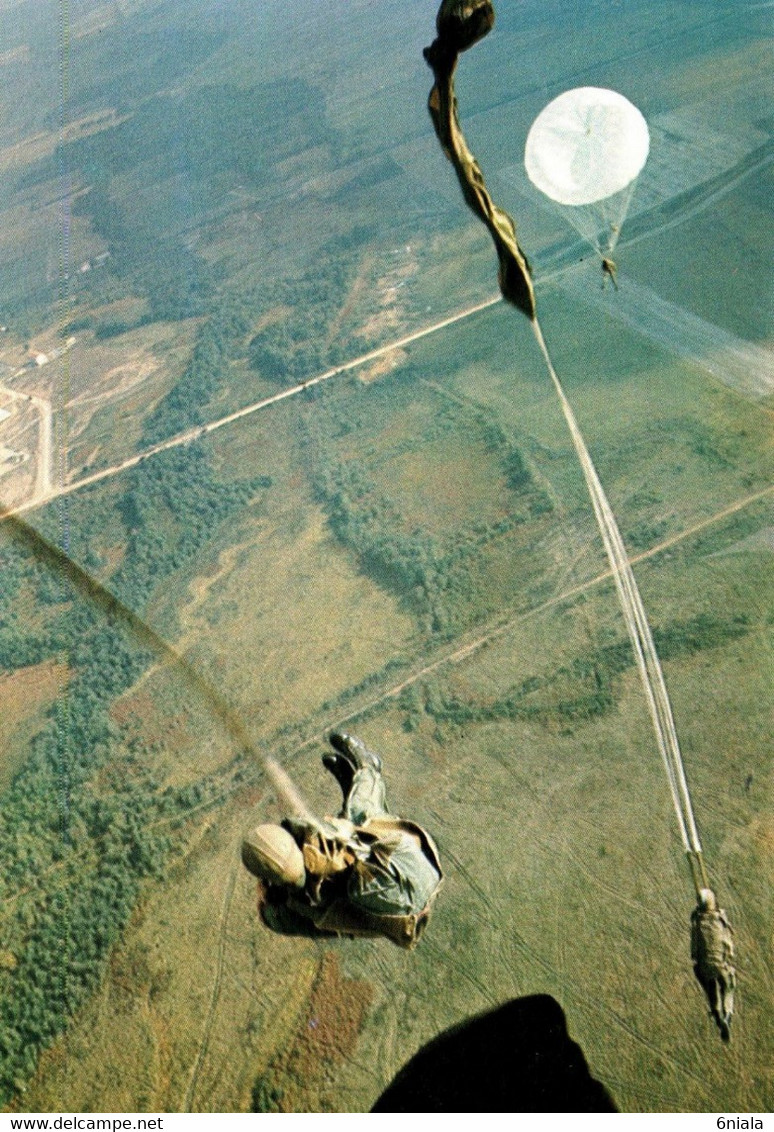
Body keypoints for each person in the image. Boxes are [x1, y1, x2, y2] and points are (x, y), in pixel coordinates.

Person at [242, 732, 443, 949]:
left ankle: (366, 773)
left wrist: (274, 897)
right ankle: (367, 770)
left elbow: (278, 915)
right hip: (414, 872)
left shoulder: (297, 905)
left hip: (404, 893)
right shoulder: (322, 850)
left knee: (359, 821)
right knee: (362, 815)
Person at [690, 888, 736, 1041]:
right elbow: (729, 945)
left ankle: (717, 1016)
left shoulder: (697, 924)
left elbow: (694, 951)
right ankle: (727, 1016)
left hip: (705, 967)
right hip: (720, 965)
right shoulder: (720, 920)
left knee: (711, 988)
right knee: (728, 987)